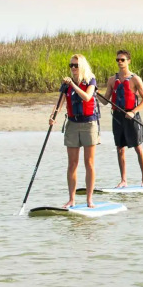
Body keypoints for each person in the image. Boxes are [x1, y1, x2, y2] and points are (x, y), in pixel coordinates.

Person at [49, 54, 100, 207]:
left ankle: (89, 199)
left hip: (89, 124)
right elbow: (59, 102)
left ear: (82, 66)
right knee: (72, 164)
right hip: (72, 124)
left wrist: (73, 84)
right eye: (71, 65)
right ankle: (71, 199)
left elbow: (87, 97)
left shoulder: (90, 80)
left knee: (89, 163)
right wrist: (53, 116)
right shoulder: (66, 84)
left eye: (76, 65)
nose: (73, 68)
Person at [105, 49, 143, 187]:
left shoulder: (135, 79)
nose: (120, 62)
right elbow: (105, 101)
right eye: (117, 60)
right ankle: (124, 180)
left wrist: (133, 112)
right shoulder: (112, 80)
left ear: (128, 61)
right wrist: (93, 93)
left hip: (131, 116)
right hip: (118, 117)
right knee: (120, 149)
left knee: (137, 148)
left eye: (122, 60)